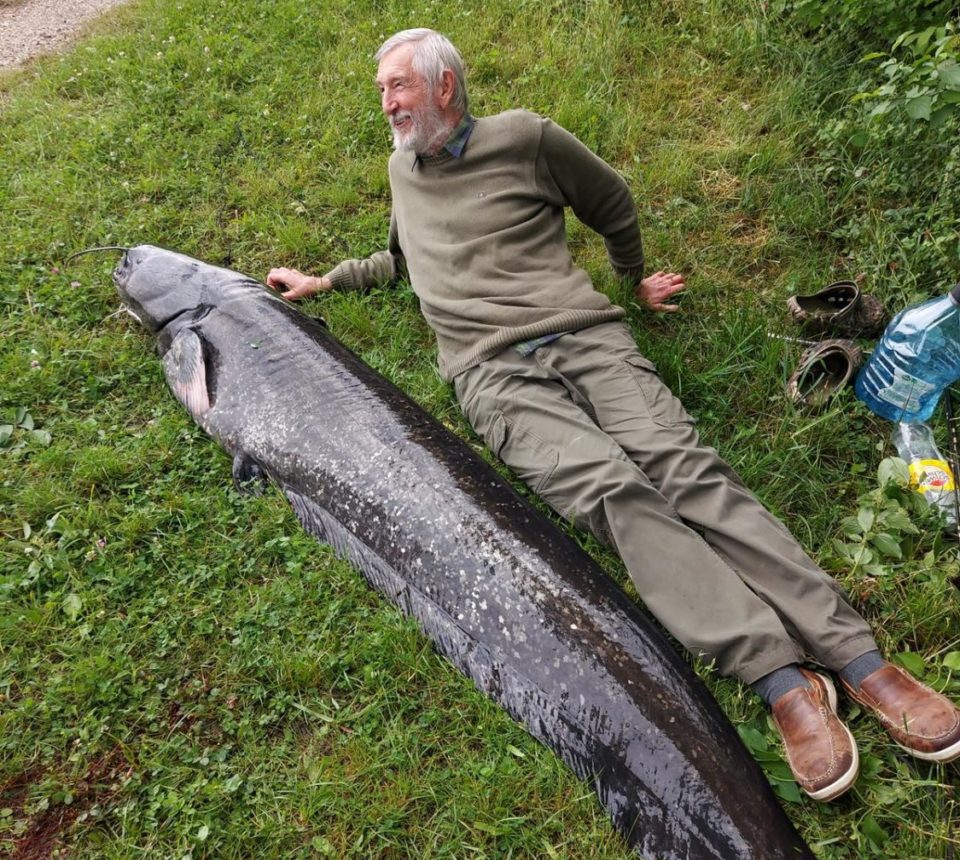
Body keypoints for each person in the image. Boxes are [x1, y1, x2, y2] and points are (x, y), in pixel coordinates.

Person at [267, 28, 960, 800]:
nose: (386, 102)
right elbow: (400, 257)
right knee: (613, 492)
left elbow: (610, 201)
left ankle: (858, 660)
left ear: (445, 88)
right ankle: (780, 678)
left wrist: (631, 282)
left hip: (585, 336)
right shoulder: (402, 168)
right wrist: (325, 282)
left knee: (687, 469)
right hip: (493, 375)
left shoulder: (526, 139)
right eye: (382, 89)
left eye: (397, 86)